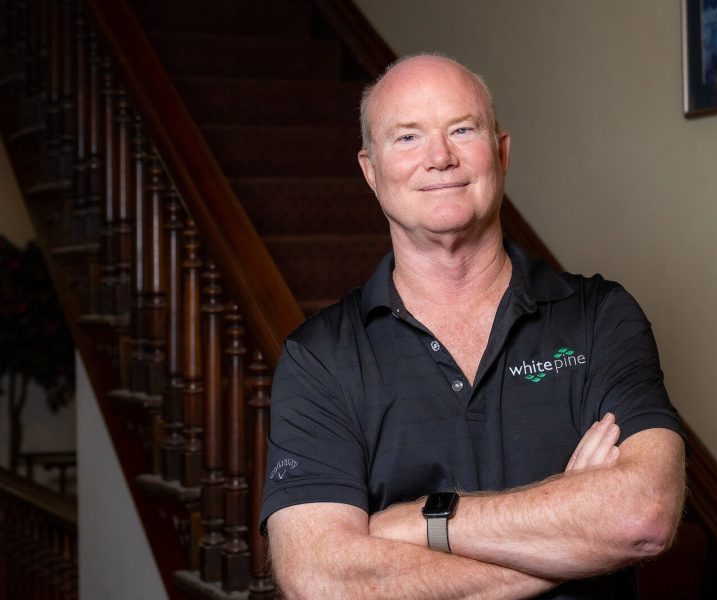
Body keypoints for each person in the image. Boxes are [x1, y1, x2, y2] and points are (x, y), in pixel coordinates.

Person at [262, 53, 686, 599]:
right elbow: (322, 581)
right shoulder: (319, 358)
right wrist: (575, 536)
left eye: (461, 129)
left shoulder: (599, 316)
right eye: (407, 138)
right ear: (370, 171)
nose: (440, 157)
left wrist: (421, 522)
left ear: (502, 153)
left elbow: (640, 515)